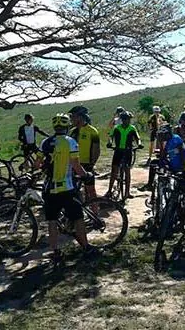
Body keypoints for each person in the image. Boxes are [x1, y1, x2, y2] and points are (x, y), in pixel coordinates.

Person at [37, 113, 97, 263]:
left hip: (49, 189)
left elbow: (37, 165)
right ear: (66, 126)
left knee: (52, 220)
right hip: (67, 189)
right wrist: (86, 175)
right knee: (78, 218)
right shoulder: (71, 142)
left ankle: (55, 252)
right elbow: (76, 166)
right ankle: (86, 247)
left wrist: (45, 166)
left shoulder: (45, 142)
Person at [106, 111, 143, 199]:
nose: (127, 121)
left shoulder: (132, 128)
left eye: (128, 119)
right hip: (118, 150)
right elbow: (111, 136)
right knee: (114, 171)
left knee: (127, 171)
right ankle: (109, 190)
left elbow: (137, 138)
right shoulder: (116, 128)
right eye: (125, 119)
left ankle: (127, 192)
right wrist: (110, 143)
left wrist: (139, 144)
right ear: (122, 120)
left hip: (128, 151)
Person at [139, 124, 185, 191]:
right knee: (154, 162)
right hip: (172, 164)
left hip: (178, 166)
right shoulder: (168, 141)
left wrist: (183, 168)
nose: (161, 137)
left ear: (167, 134)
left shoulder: (176, 139)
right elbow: (163, 154)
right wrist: (160, 143)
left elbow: (182, 153)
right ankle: (150, 184)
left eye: (162, 135)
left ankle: (152, 184)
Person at [68, 106, 100, 201]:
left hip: (87, 164)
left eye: (73, 116)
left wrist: (92, 164)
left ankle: (94, 214)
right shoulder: (72, 131)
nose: (71, 119)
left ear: (80, 117)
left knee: (90, 192)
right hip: (74, 164)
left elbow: (96, 150)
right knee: (74, 191)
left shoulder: (92, 131)